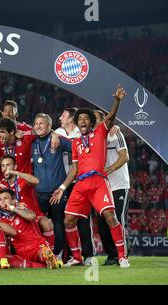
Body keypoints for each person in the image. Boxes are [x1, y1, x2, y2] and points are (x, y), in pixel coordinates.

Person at [50, 84, 130, 268]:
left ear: (91, 123)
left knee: (111, 216)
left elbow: (110, 118)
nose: (83, 121)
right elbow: (74, 169)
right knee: (68, 220)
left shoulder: (100, 133)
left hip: (98, 182)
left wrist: (116, 101)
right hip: (81, 184)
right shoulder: (76, 143)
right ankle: (77, 257)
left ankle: (122, 256)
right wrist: (62, 188)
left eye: (86, 119)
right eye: (81, 119)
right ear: (77, 123)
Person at [55, 107, 95, 264]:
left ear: (71, 118)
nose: (60, 117)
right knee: (63, 219)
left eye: (63, 115)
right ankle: (69, 255)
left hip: (79, 181)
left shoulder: (81, 133)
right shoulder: (57, 131)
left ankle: (88, 255)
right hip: (61, 182)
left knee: (83, 219)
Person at [32, 113, 72, 257]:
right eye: (36, 123)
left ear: (49, 125)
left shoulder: (59, 140)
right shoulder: (32, 141)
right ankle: (43, 254)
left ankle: (58, 254)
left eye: (41, 123)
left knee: (58, 222)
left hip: (57, 191)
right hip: (39, 192)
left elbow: (77, 147)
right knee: (40, 223)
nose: (38, 126)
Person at [94, 110, 131, 266]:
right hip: (101, 186)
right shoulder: (92, 138)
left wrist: (109, 169)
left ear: (104, 120)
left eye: (95, 119)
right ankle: (112, 255)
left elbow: (125, 157)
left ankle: (123, 255)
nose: (92, 122)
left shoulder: (115, 134)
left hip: (119, 184)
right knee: (102, 222)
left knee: (118, 218)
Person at [0, 189, 61, 269]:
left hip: (36, 246)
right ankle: (49, 263)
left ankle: (49, 257)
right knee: (8, 259)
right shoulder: (1, 220)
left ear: (13, 200)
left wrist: (13, 208)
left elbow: (31, 216)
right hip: (21, 252)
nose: (2, 201)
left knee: (43, 254)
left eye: (5, 198)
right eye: (0, 199)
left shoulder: (21, 207)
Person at [0, 155, 55, 249]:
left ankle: (51, 255)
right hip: (15, 219)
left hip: (34, 214)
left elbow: (36, 181)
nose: (5, 168)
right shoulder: (2, 185)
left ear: (15, 166)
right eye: (3, 166)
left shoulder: (22, 179)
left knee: (46, 223)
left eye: (8, 165)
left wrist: (15, 172)